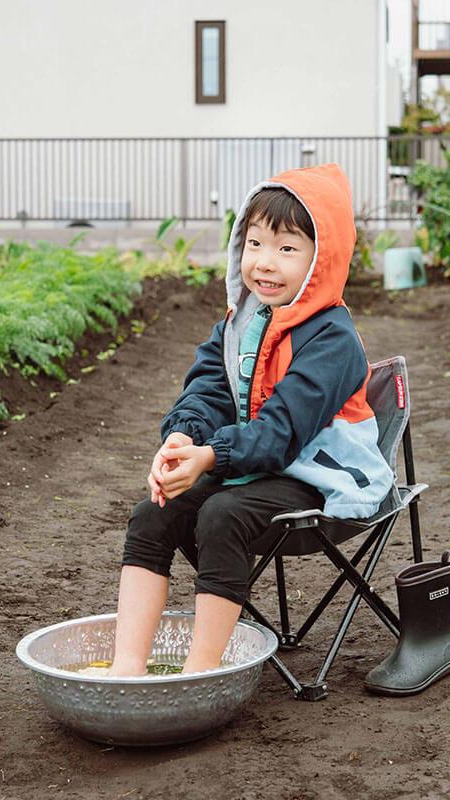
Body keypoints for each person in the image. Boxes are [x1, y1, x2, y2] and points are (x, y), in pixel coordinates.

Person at [107, 163, 395, 677]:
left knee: (222, 515)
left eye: (287, 249)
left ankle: (202, 673)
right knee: (153, 510)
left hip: (322, 477)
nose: (264, 262)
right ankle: (125, 668)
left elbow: (282, 432)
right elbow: (209, 389)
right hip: (258, 465)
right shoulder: (242, 322)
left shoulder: (333, 340)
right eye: (255, 243)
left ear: (320, 260)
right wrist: (183, 438)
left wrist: (212, 456)